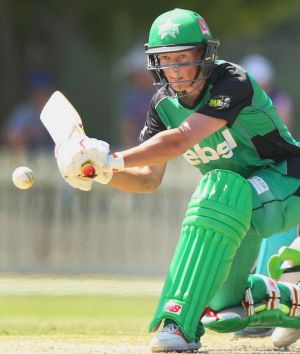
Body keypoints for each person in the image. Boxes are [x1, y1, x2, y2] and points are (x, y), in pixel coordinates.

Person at [54, 8, 300, 352]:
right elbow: (147, 179)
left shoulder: (232, 80)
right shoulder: (162, 105)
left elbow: (180, 139)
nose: (176, 68)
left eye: (184, 57)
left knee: (218, 188)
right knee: (226, 305)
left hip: (287, 182)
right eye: (167, 59)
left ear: (205, 55)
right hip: (238, 206)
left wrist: (113, 156)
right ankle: (294, 303)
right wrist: (100, 172)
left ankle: (178, 322)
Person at [232, 54, 298, 338]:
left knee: (277, 219)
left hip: (280, 168)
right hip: (268, 169)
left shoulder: (276, 100)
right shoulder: (237, 101)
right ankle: (266, 301)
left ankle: (276, 302)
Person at [2, 71, 54, 154]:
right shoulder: (24, 112)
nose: (41, 95)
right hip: (29, 157)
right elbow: (10, 136)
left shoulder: (56, 111)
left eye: (44, 91)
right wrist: (29, 133)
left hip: (54, 158)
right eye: (38, 91)